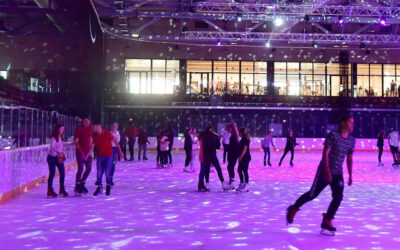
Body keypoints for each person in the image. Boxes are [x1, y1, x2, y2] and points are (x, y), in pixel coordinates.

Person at [286, 114, 355, 236]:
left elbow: (349, 158)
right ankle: (293, 208)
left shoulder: (351, 140)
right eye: (350, 122)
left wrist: (350, 174)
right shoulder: (333, 135)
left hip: (338, 173)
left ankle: (327, 220)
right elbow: (325, 154)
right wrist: (327, 171)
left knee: (338, 197)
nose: (352, 125)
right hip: (324, 170)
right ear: (343, 123)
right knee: (312, 195)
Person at [92, 122, 124, 196]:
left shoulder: (107, 133)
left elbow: (116, 142)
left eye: (96, 127)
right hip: (100, 156)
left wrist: (120, 152)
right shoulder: (95, 136)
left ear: (99, 127)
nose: (94, 129)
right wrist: (88, 155)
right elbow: (92, 146)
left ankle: (108, 185)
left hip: (109, 155)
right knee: (99, 172)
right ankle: (99, 187)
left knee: (107, 173)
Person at [202, 126, 229, 191]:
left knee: (207, 169)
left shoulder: (204, 136)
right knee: (218, 169)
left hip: (206, 155)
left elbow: (202, 145)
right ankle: (223, 183)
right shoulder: (215, 136)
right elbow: (218, 147)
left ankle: (207, 183)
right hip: (213, 155)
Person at [47, 124, 68, 197]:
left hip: (58, 157)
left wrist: (68, 144)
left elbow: (60, 146)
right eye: (62, 129)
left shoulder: (60, 137)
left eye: (63, 129)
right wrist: (59, 153)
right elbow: (52, 147)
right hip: (52, 158)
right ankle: (50, 190)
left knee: (62, 173)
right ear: (58, 129)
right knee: (52, 173)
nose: (63, 130)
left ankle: (62, 189)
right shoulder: (53, 138)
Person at [73, 115, 93, 195]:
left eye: (87, 120)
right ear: (82, 121)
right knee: (80, 169)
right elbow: (76, 141)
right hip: (80, 151)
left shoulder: (91, 129)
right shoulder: (79, 128)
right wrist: (81, 152)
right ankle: (77, 186)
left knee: (89, 168)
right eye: (84, 120)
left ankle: (82, 183)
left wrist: (89, 153)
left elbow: (92, 141)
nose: (86, 122)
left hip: (88, 152)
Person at [236, 128, 251, 192]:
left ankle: (246, 185)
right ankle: (242, 183)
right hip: (244, 157)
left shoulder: (244, 139)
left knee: (244, 170)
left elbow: (245, 148)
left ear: (241, 132)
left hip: (245, 157)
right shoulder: (243, 138)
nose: (238, 134)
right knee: (239, 170)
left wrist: (240, 157)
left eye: (239, 132)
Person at [226, 122, 239, 190]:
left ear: (231, 128)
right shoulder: (233, 135)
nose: (227, 130)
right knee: (230, 167)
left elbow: (236, 146)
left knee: (230, 167)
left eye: (228, 129)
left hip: (233, 154)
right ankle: (231, 180)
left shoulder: (234, 136)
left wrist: (232, 154)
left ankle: (232, 181)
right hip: (232, 154)